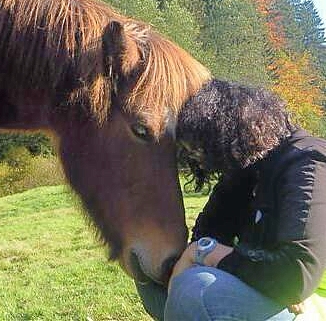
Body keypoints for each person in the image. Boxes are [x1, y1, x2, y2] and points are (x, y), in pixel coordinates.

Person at [136, 79, 326, 321]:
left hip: (309, 302)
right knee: (150, 273)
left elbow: (297, 275)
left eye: (199, 151)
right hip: (272, 286)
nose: (200, 162)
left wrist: (205, 253)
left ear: (225, 135)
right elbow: (209, 232)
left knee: (195, 291)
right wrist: (203, 252)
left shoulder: (308, 162)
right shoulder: (249, 167)